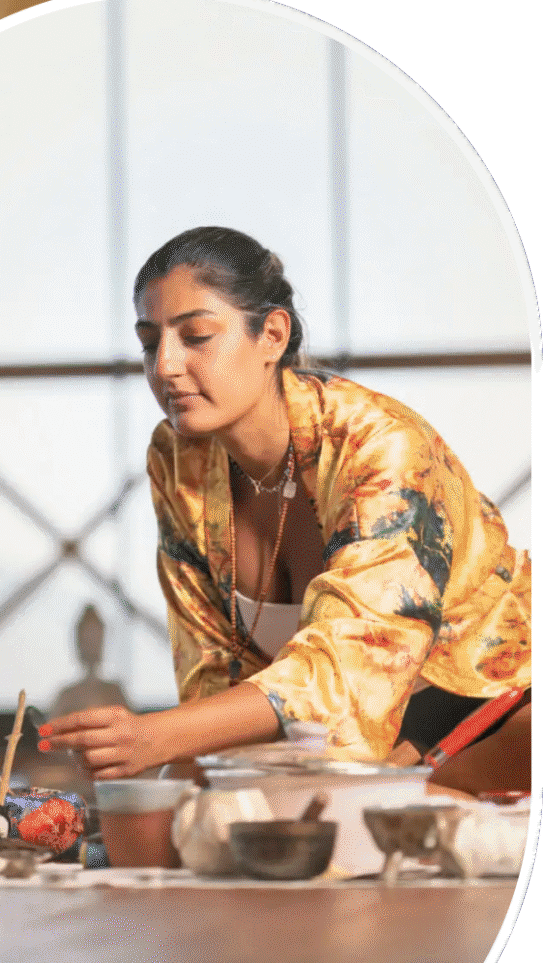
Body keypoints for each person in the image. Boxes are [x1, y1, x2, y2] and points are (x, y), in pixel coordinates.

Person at [42, 228, 531, 795]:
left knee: (352, 833)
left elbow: (355, 657)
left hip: (491, 704)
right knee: (192, 828)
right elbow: (209, 671)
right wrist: (166, 783)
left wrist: (158, 738)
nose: (165, 366)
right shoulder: (179, 457)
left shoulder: (382, 447)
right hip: (336, 735)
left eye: (196, 336)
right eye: (151, 343)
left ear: (272, 334)